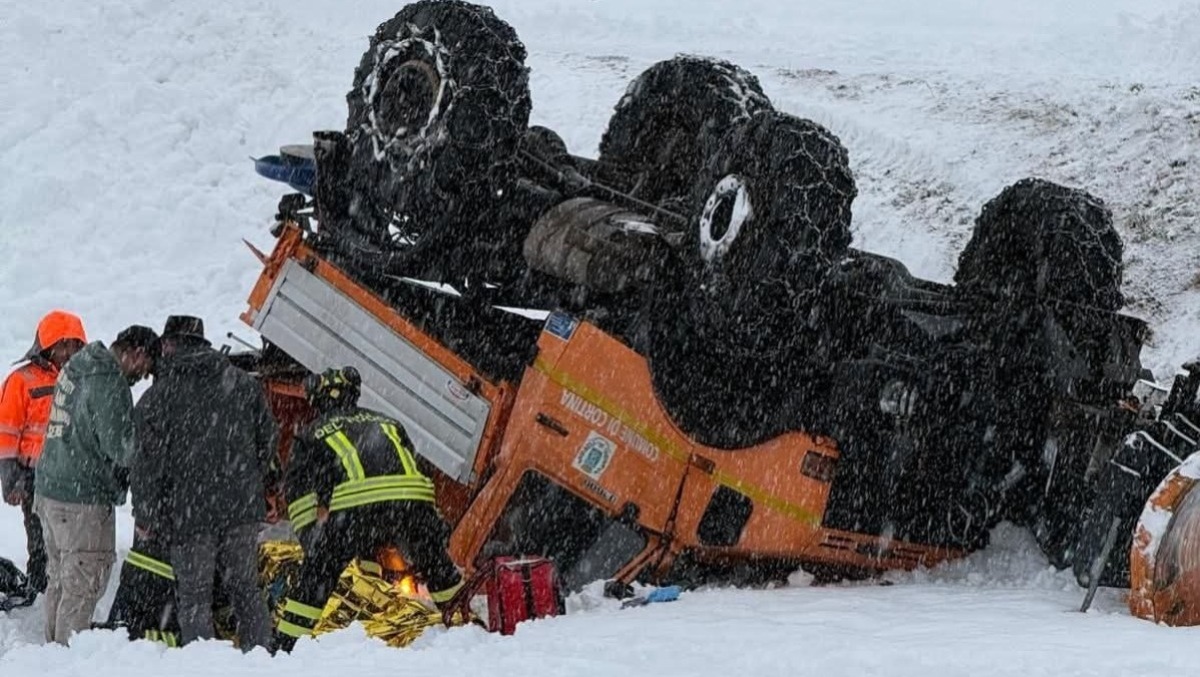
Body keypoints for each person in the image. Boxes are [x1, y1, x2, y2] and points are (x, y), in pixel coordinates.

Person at [275, 366, 464, 652]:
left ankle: (285, 646)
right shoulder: (388, 422)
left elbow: (299, 496)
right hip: (411, 502)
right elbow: (416, 468)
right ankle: (462, 624)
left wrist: (313, 544)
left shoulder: (312, 433)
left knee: (317, 577)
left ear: (317, 400)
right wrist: (430, 524)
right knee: (437, 566)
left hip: (356, 509)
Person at [133, 315, 278, 651]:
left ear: (169, 344)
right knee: (245, 589)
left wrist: (147, 515)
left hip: (189, 512)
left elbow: (146, 465)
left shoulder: (158, 397)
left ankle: (203, 665)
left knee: (195, 597)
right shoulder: (242, 384)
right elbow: (268, 440)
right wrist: (264, 486)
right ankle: (262, 657)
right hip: (241, 508)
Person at [33, 324, 159, 645]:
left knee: (60, 580)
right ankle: (67, 660)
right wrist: (155, 440)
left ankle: (50, 655)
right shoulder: (108, 381)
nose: (142, 378)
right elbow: (122, 447)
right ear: (137, 353)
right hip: (82, 500)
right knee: (83, 585)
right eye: (144, 371)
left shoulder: (80, 364)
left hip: (51, 489)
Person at [0, 310, 87, 601]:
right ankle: (40, 591)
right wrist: (10, 480)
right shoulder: (21, 380)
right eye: (63, 344)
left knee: (71, 539)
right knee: (39, 537)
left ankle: (65, 588)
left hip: (73, 475)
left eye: (75, 345)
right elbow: (6, 434)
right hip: (34, 476)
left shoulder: (83, 379)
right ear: (46, 345)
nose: (68, 352)